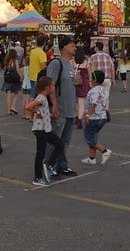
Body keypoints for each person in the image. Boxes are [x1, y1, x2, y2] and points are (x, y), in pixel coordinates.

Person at [43, 36, 79, 180]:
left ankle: (61, 165)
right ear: (64, 47)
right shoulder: (56, 64)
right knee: (54, 141)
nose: (75, 48)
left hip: (70, 109)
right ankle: (47, 166)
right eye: (72, 45)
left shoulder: (70, 65)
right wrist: (55, 105)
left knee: (65, 141)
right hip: (61, 109)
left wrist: (78, 83)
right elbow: (50, 86)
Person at [26, 76, 64, 186]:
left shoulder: (43, 97)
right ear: (47, 87)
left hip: (46, 129)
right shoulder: (41, 98)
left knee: (59, 144)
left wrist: (48, 114)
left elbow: (42, 111)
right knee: (40, 154)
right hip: (41, 130)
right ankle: (37, 177)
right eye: (52, 85)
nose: (54, 87)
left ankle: (50, 166)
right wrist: (36, 113)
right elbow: (28, 106)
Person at [81, 70, 113, 165]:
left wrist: (88, 114)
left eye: (92, 78)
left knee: (88, 136)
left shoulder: (94, 91)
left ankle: (104, 151)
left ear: (95, 80)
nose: (90, 80)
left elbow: (93, 103)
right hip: (102, 117)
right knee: (93, 135)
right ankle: (92, 157)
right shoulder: (103, 89)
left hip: (94, 117)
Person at [1, 49, 23, 115]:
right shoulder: (15, 60)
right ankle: (12, 106)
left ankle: (8, 110)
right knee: (16, 93)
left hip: (8, 79)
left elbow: (5, 69)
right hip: (14, 79)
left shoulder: (7, 61)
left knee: (8, 95)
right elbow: (18, 70)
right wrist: (21, 77)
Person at [73, 49, 90, 129]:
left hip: (73, 83)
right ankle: (80, 119)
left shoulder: (72, 62)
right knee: (81, 103)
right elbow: (89, 75)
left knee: (76, 102)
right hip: (83, 84)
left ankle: (76, 116)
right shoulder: (86, 63)